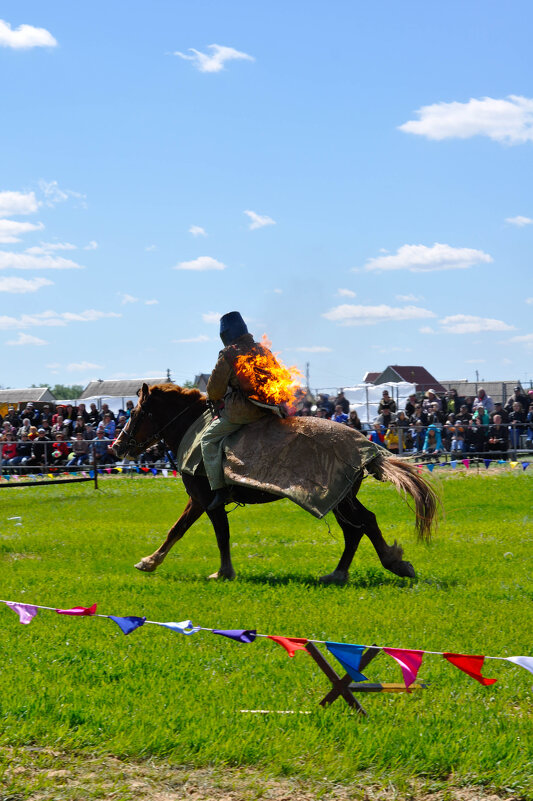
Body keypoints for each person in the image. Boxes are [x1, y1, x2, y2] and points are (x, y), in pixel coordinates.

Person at [201, 312, 277, 510]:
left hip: (244, 411)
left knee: (207, 440)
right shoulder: (263, 349)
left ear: (224, 334)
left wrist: (216, 399)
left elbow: (214, 390)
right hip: (272, 409)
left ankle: (220, 491)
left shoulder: (229, 353)